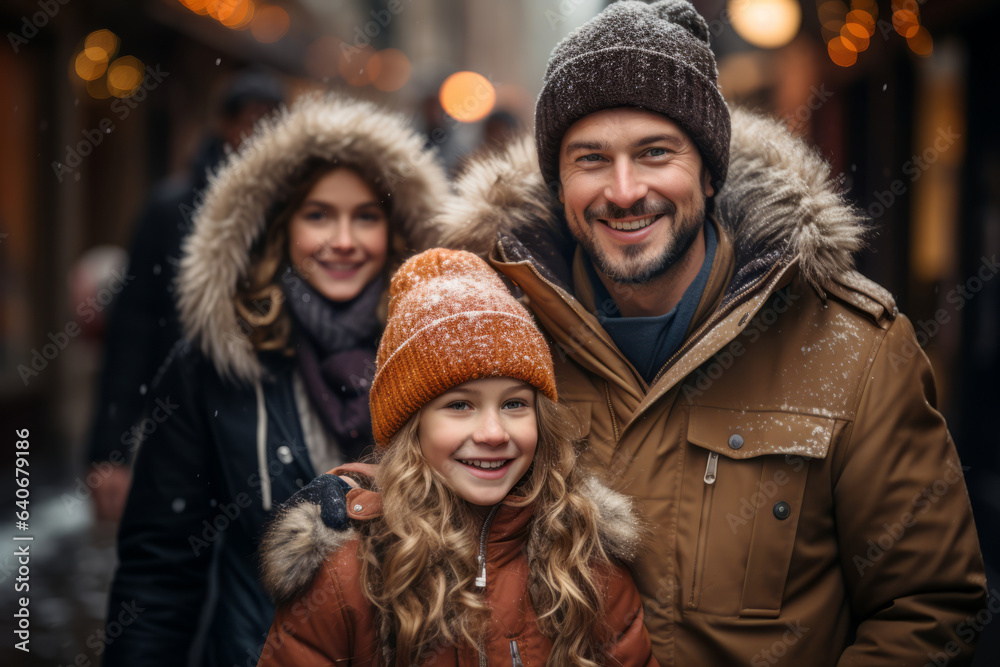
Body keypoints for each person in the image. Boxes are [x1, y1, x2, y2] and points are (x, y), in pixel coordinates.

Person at [428, 1, 987, 665]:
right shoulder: (491, 336)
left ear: (710, 170)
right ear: (558, 180)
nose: (626, 189)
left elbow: (929, 605)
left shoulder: (855, 349)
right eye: (591, 159)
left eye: (655, 152)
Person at [103, 94, 449, 667]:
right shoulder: (218, 362)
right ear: (279, 225)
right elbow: (161, 566)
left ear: (397, 228)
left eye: (366, 216)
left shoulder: (435, 349)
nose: (343, 240)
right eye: (318, 215)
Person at [255, 248, 657, 666]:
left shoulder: (585, 561)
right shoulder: (346, 575)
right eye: (460, 405)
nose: (492, 433)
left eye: (514, 404)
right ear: (412, 426)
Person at [85, 68, 286, 521]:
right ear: (227, 126)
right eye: (250, 121)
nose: (259, 135)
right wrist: (110, 449)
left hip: (268, 424)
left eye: (271, 121)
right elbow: (131, 330)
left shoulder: (297, 210)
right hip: (181, 418)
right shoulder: (171, 209)